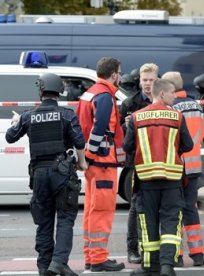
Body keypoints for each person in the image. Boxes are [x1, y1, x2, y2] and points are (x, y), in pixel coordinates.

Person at [5, 73, 88, 276]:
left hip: (39, 175)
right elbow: (79, 142)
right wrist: (82, 164)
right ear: (59, 92)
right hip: (62, 173)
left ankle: (44, 266)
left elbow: (9, 137)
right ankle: (59, 262)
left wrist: (16, 122)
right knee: (66, 218)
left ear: (41, 91)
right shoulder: (67, 114)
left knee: (44, 221)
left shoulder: (28, 115)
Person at [123, 79, 194, 276]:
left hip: (146, 180)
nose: (175, 96)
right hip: (172, 179)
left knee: (148, 222)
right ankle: (167, 266)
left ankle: (149, 265)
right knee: (171, 221)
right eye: (172, 93)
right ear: (161, 94)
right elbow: (188, 145)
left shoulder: (137, 117)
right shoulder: (177, 116)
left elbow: (127, 146)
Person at [76, 57, 126, 272]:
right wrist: (90, 154)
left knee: (91, 209)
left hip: (94, 164)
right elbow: (99, 129)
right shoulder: (105, 96)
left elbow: (82, 128)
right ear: (114, 74)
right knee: (102, 210)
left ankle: (91, 255)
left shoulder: (89, 93)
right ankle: (98, 258)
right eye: (120, 73)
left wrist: (85, 157)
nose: (121, 76)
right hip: (103, 162)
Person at [162, 71, 204, 267]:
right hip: (194, 166)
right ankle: (198, 254)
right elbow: (202, 132)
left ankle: (177, 255)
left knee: (173, 210)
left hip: (176, 166)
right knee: (191, 209)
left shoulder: (170, 107)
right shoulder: (197, 106)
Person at [119, 63, 159, 265]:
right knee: (136, 206)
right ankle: (132, 248)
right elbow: (120, 134)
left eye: (151, 80)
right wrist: (126, 126)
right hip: (137, 160)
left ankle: (152, 247)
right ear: (139, 80)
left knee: (156, 206)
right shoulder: (129, 103)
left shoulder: (162, 101)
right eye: (145, 80)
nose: (147, 84)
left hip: (160, 159)